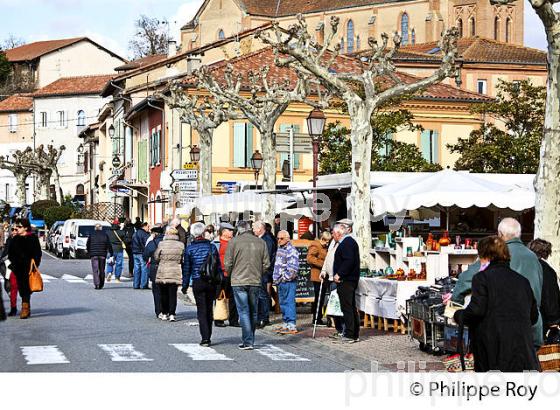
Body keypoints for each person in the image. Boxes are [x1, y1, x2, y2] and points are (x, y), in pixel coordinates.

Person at [451, 218, 544, 348]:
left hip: (503, 331)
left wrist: (455, 305)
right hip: (531, 328)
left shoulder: (498, 255)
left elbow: (465, 280)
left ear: (500, 235)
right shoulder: (533, 257)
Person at [454, 236, 539, 372]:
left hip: (493, 350)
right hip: (521, 349)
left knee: (493, 389)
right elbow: (533, 316)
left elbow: (477, 310)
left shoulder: (482, 278)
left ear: (485, 256)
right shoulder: (522, 281)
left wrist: (459, 315)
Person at [225, 220, 270, 350]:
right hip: (255, 280)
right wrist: (259, 272)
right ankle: (250, 339)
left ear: (239, 230)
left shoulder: (233, 242)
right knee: (253, 311)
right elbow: (266, 264)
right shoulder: (261, 242)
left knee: (244, 311)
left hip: (239, 280)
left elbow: (227, 263)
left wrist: (232, 273)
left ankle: (248, 341)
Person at [182, 222, 222, 346]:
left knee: (201, 309)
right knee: (209, 308)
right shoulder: (212, 247)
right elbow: (218, 266)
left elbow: (187, 269)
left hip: (197, 280)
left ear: (193, 234)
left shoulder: (189, 249)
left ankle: (205, 337)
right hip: (211, 281)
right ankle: (208, 334)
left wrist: (184, 285)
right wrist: (219, 281)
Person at [7, 218, 42, 319]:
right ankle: (25, 306)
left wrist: (35, 264)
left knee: (26, 288)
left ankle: (25, 308)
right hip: (17, 268)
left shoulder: (33, 238)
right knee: (21, 288)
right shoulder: (15, 239)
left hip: (28, 267)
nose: (17, 229)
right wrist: (13, 264)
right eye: (16, 227)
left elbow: (37, 253)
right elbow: (10, 253)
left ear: (26, 228)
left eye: (19, 227)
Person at [333, 221, 360, 343]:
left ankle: (350, 334)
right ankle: (353, 333)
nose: (333, 235)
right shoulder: (346, 242)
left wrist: (339, 274)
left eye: (333, 233)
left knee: (347, 307)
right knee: (350, 306)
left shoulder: (347, 243)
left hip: (347, 280)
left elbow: (349, 261)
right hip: (348, 279)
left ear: (338, 233)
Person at [153, 227, 185, 322]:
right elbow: (182, 257)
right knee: (173, 293)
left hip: (163, 270)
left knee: (163, 293)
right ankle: (172, 313)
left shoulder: (162, 244)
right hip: (175, 270)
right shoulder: (181, 245)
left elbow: (156, 256)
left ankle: (164, 313)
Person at [529, 238, 560, 334]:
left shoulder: (525, 265)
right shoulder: (546, 270)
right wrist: (554, 321)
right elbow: (550, 295)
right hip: (540, 317)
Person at [273, 230, 300, 334]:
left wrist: (285, 278)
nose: (279, 240)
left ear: (287, 239)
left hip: (288, 281)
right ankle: (285, 323)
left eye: (281, 238)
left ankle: (292, 324)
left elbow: (293, 268)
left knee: (289, 302)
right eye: (278, 238)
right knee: (283, 302)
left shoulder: (291, 250)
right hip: (280, 281)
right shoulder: (280, 248)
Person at [214, 223, 239, 328]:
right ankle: (219, 318)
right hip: (220, 274)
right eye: (230, 230)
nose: (232, 232)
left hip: (233, 273)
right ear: (223, 232)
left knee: (234, 297)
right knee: (219, 297)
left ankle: (233, 320)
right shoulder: (216, 243)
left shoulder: (235, 242)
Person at [253, 220, 277, 328]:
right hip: (260, 271)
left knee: (262, 295)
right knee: (260, 294)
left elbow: (267, 258)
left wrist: (265, 271)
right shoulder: (261, 239)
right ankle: (261, 317)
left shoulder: (266, 240)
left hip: (264, 271)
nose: (253, 230)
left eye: (254, 228)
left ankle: (263, 318)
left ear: (260, 229)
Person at [308, 231, 332, 327]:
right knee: (319, 297)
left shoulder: (324, 247)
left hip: (324, 275)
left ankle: (318, 317)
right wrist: (323, 264)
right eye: (326, 242)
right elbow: (309, 258)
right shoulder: (316, 246)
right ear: (322, 239)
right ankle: (316, 318)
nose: (327, 244)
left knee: (321, 297)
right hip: (318, 275)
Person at [143, 225, 165, 318]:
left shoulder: (151, 243)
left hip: (155, 268)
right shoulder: (167, 243)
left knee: (156, 290)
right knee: (165, 290)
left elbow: (145, 255)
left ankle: (158, 311)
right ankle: (166, 310)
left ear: (155, 234)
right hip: (166, 268)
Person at [86, 224, 113, 290]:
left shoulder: (91, 235)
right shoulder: (105, 235)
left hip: (94, 255)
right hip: (102, 254)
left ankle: (97, 284)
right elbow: (109, 244)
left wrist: (89, 252)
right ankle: (101, 284)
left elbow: (88, 244)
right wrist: (111, 253)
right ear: (101, 228)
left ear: (95, 228)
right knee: (102, 270)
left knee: (95, 270)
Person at [1, 226, 19, 316]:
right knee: (9, 284)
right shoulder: (9, 239)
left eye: (16, 230)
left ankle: (24, 307)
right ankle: (14, 308)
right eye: (13, 230)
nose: (14, 232)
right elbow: (5, 252)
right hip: (8, 265)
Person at [132, 222, 150, 289]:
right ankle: (143, 284)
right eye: (148, 227)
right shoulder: (144, 234)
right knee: (144, 268)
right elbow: (146, 244)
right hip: (141, 253)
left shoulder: (135, 233)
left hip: (135, 252)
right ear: (144, 226)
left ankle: (136, 285)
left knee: (137, 269)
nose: (149, 228)